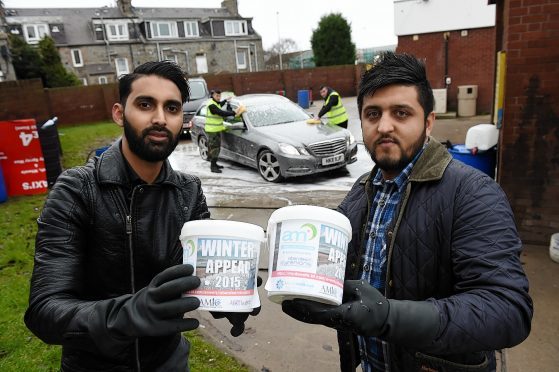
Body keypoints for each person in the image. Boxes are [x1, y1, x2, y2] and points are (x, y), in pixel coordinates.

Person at [282, 52, 533, 371]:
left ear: (428, 122)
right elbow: (330, 269)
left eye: (401, 113)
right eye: (372, 114)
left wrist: (388, 317)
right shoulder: (361, 191)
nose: (384, 126)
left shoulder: (472, 193)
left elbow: (508, 311)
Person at [24, 61, 256, 371]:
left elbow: (201, 271)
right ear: (119, 113)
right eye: (145, 104)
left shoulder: (188, 191)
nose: (160, 118)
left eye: (172, 108)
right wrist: (127, 315)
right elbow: (44, 310)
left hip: (169, 363)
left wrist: (228, 293)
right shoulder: (78, 190)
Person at [205, 89, 243, 173]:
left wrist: (225, 100)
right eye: (217, 96)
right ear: (212, 95)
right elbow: (221, 112)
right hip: (212, 131)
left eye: (219, 96)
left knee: (216, 148)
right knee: (215, 148)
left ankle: (215, 164)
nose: (218, 97)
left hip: (215, 130)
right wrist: (234, 112)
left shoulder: (215, 103)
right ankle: (213, 167)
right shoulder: (211, 105)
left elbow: (219, 104)